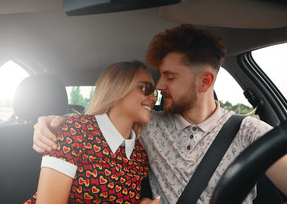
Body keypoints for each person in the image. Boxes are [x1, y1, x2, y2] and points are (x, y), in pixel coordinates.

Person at [32, 24, 287, 203]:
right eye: (157, 79)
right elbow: (106, 124)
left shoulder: (252, 133)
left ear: (205, 82)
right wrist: (56, 121)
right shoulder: (148, 127)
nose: (159, 88)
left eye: (169, 77)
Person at [24, 61, 161, 204]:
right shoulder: (74, 131)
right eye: (146, 88)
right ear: (117, 89)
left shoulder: (139, 156)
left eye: (155, 91)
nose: (154, 97)